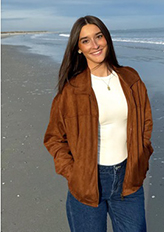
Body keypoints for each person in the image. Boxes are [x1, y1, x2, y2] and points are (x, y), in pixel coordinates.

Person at [44, 15, 153, 232]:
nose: (95, 45)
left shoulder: (130, 78)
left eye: (99, 36)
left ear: (107, 39)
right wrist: (73, 173)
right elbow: (54, 138)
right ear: (78, 48)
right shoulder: (71, 91)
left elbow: (145, 123)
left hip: (128, 180)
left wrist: (141, 157)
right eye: (86, 41)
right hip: (87, 182)